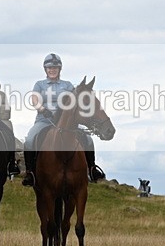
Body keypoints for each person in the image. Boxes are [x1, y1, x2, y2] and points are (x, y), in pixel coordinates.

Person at [22, 53, 105, 187]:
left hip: (65, 121)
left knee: (88, 139)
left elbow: (75, 101)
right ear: (45, 69)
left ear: (59, 69)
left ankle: (92, 169)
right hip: (44, 120)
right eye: (49, 68)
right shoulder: (39, 84)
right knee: (30, 140)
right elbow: (34, 99)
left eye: (55, 67)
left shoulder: (67, 85)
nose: (52, 70)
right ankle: (30, 173)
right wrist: (42, 109)